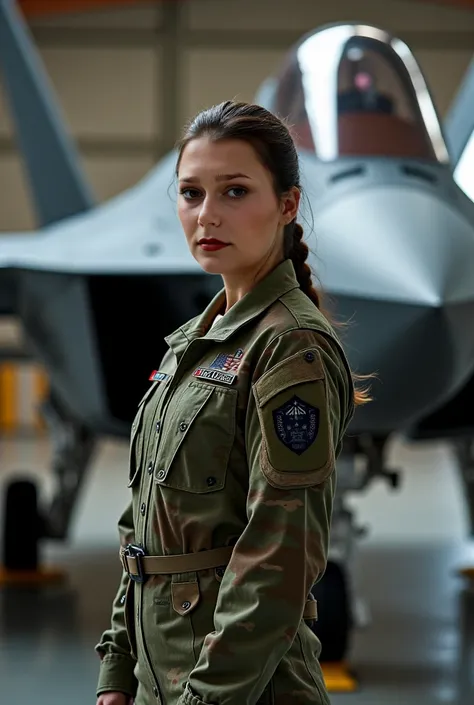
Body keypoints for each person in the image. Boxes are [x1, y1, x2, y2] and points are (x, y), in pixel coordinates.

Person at [95, 100, 371, 705]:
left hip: (240, 688)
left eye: (236, 192)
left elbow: (279, 557)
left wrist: (204, 699)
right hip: (158, 677)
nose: (207, 216)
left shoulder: (289, 346)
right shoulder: (192, 343)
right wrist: (118, 671)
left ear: (288, 205)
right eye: (191, 194)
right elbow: (144, 525)